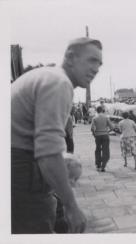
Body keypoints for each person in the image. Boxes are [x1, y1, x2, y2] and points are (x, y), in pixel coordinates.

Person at [11, 37, 102, 233]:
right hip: (21, 172)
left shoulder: (47, 76)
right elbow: (48, 152)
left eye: (99, 64)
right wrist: (71, 206)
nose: (97, 69)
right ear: (70, 57)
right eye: (92, 60)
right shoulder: (59, 82)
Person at [54, 153, 83, 233]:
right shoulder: (55, 198)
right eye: (70, 177)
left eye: (76, 179)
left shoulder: (68, 193)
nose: (73, 182)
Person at [91, 106, 113, 172]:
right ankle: (103, 166)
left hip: (98, 135)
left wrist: (94, 134)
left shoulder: (94, 118)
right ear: (102, 110)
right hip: (105, 135)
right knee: (105, 151)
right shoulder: (106, 117)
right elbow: (112, 127)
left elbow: (92, 128)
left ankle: (98, 165)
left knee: (98, 150)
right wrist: (107, 132)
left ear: (97, 111)